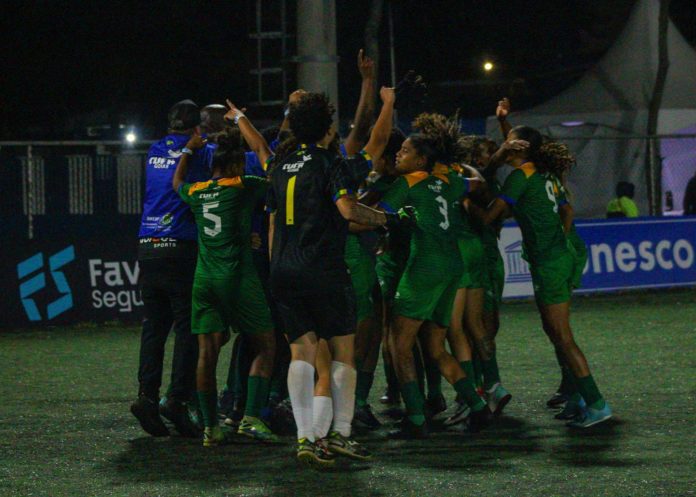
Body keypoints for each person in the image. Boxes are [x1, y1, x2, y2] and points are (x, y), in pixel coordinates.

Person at [267, 90, 414, 466]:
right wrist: (388, 220)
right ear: (327, 128)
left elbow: (272, 222)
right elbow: (348, 208)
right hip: (323, 269)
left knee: (301, 353)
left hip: (283, 270)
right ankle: (339, 434)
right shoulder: (330, 163)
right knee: (343, 352)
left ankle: (305, 438)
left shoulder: (278, 165)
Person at [466, 125, 612, 429]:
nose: (503, 148)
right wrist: (561, 237)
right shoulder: (544, 173)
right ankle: (577, 398)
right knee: (554, 331)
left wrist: (464, 203)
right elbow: (567, 210)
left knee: (562, 335)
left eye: (507, 144)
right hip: (561, 256)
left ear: (518, 148)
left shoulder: (522, 177)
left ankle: (597, 403)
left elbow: (492, 217)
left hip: (549, 262)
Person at [379, 124, 492, 439]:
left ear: (419, 161)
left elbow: (372, 217)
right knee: (434, 346)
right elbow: (478, 183)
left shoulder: (407, 184)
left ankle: (416, 418)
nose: (398, 154)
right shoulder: (449, 183)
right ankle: (478, 406)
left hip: (424, 268)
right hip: (451, 267)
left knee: (399, 344)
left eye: (405, 151)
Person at [172, 124, 278, 447]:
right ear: (235, 165)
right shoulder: (244, 185)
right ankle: (251, 418)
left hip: (204, 281)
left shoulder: (198, 191)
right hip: (237, 277)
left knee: (207, 353)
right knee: (266, 346)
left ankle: (210, 428)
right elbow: (272, 172)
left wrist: (188, 151)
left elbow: (176, 183)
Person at [130, 100, 213, 438]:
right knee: (187, 328)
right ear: (196, 128)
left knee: (154, 327)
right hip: (180, 246)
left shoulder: (153, 150)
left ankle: (147, 397)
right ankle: (176, 399)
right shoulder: (200, 153)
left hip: (148, 245)